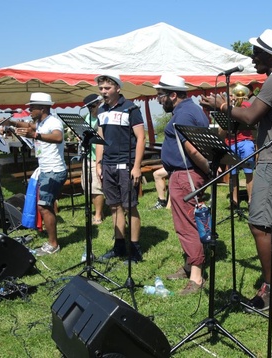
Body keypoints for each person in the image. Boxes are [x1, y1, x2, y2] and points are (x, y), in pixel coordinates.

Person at [201, 29, 272, 311]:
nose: (252, 57)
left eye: (256, 52)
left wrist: (221, 105)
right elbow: (256, 122)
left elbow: (248, 115)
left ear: (270, 55)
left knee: (259, 224)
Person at [157, 73, 210, 295]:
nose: (159, 100)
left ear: (173, 95)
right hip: (185, 174)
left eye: (161, 96)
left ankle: (196, 277)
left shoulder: (184, 114)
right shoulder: (190, 109)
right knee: (188, 221)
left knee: (187, 225)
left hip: (184, 176)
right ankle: (190, 265)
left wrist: (209, 169)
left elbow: (193, 149)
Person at [95, 73, 145, 263]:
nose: (103, 92)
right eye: (101, 89)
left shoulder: (130, 108)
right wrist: (99, 163)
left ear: (117, 88)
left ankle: (135, 250)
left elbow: (141, 137)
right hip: (107, 165)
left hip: (126, 164)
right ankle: (119, 247)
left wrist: (137, 166)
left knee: (129, 206)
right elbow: (100, 139)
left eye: (107, 88)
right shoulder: (101, 111)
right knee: (114, 207)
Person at [10, 93, 68, 256]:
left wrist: (35, 135)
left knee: (44, 206)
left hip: (53, 171)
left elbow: (58, 137)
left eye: (32, 107)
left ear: (42, 108)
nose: (29, 110)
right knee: (45, 206)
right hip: (46, 171)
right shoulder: (41, 122)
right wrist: (11, 122)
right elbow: (27, 125)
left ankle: (53, 244)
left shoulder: (53, 121)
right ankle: (51, 241)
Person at [219, 83, 255, 207]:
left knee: (248, 172)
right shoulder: (225, 109)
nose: (233, 97)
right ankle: (234, 201)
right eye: (230, 95)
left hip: (245, 142)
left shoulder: (246, 105)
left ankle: (251, 201)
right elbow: (220, 133)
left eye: (233, 95)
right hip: (231, 143)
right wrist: (226, 123)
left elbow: (250, 118)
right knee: (233, 174)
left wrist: (236, 109)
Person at [81, 94, 105, 224]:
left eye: (93, 105)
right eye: (89, 107)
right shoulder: (87, 117)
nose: (91, 108)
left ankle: (98, 216)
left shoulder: (103, 116)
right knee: (88, 186)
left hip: (98, 158)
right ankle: (97, 211)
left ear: (99, 103)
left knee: (96, 187)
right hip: (89, 156)